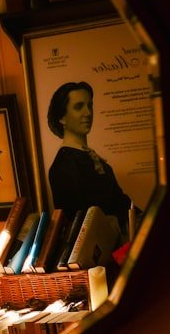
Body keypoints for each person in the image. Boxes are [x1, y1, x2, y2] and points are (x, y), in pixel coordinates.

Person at [45, 81, 131, 234]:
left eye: (89, 105)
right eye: (79, 107)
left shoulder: (92, 159)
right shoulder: (63, 166)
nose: (88, 112)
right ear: (62, 118)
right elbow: (78, 224)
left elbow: (121, 202)